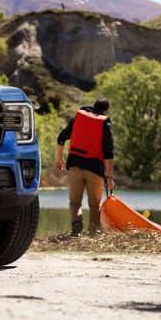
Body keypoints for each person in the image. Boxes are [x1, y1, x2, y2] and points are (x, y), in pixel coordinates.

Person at [54, 98, 115, 236]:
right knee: (94, 205)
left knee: (75, 202)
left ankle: (76, 222)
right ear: (106, 110)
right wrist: (110, 178)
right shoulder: (105, 124)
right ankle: (93, 234)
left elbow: (61, 137)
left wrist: (59, 159)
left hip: (75, 165)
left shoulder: (78, 117)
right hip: (95, 169)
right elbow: (108, 152)